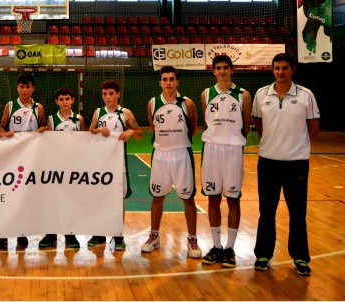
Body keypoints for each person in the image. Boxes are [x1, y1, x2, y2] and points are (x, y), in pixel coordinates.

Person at [252, 53, 320, 276]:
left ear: (293, 69)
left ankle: (300, 257)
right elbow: (259, 125)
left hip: (297, 164)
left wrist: (295, 147)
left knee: (298, 213)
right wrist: (274, 144)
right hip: (268, 162)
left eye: (284, 68)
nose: (280, 72)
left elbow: (313, 128)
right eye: (276, 68)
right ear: (272, 70)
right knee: (267, 212)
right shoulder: (262, 94)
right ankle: (263, 255)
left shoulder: (306, 95)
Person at [140, 65, 201, 259]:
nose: (168, 83)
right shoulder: (152, 103)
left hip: (181, 154)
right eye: (164, 79)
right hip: (160, 155)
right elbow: (153, 126)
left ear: (177, 81)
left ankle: (192, 239)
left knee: (188, 199)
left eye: (171, 79)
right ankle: (154, 236)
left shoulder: (187, 103)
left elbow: (192, 128)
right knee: (157, 198)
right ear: (160, 82)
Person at [199, 55, 252, 268]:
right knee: (213, 199)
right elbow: (206, 121)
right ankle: (216, 246)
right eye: (218, 68)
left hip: (233, 150)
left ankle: (230, 248)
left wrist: (233, 140)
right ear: (213, 71)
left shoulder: (243, 95)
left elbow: (246, 125)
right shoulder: (206, 94)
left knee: (233, 199)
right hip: (211, 150)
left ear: (232, 70)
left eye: (225, 68)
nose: (222, 71)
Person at [0, 73, 46, 251]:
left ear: (33, 88)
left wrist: (42, 131)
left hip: (30, 158)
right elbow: (1, 127)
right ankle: (2, 236)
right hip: (12, 157)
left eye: (27, 86)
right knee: (8, 196)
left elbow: (44, 130)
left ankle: (22, 235)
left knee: (24, 198)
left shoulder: (38, 108)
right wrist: (4, 132)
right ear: (18, 88)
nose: (24, 89)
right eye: (21, 86)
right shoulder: (10, 105)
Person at [88, 80, 142, 251]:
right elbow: (90, 131)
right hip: (101, 163)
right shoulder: (98, 112)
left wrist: (131, 131)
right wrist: (97, 130)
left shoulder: (125, 113)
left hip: (119, 163)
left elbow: (140, 133)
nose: (108, 97)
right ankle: (99, 233)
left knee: (118, 199)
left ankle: (118, 234)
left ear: (118, 94)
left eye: (111, 94)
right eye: (105, 94)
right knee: (100, 198)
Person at [38, 86, 87, 249]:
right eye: (61, 99)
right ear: (56, 102)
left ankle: (70, 234)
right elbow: (48, 142)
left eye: (67, 99)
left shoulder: (79, 119)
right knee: (53, 201)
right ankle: (51, 234)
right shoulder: (51, 119)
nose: (65, 102)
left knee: (70, 201)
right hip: (55, 167)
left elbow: (84, 142)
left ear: (73, 100)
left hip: (72, 167)